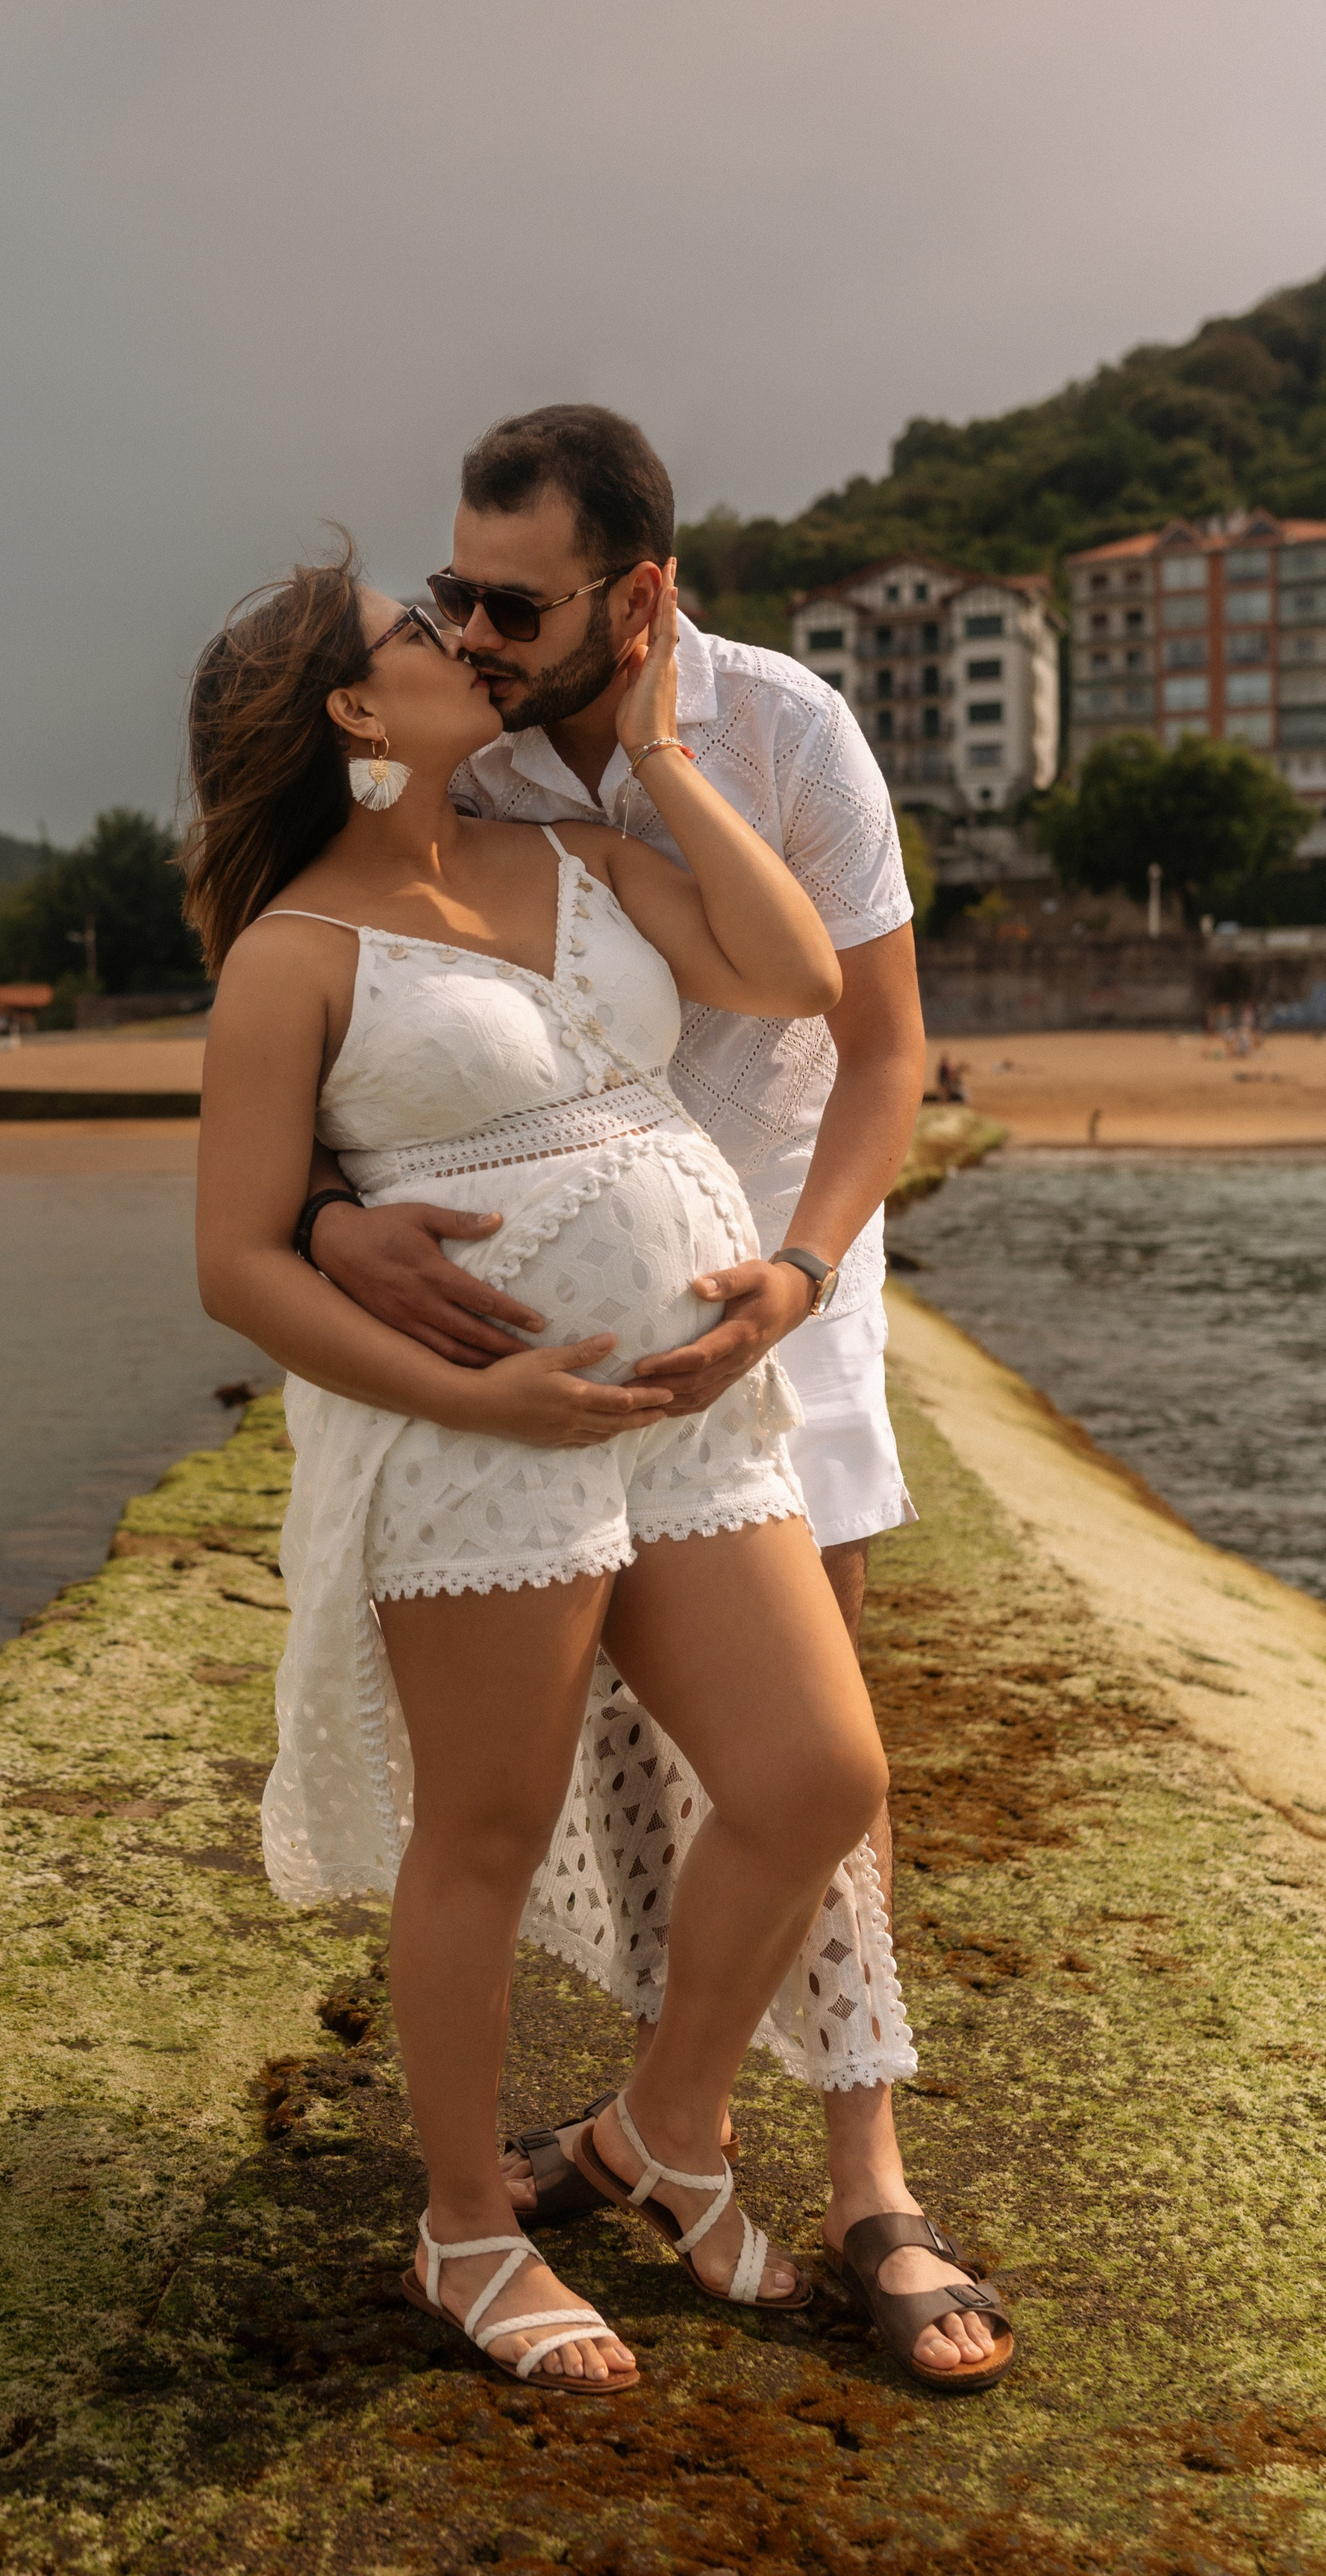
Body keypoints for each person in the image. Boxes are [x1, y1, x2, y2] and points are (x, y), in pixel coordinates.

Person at [189, 543, 1010, 2395]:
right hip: (480, 1446)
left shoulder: (566, 852)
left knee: (813, 1777)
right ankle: (464, 2231)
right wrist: (481, 1404)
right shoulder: (290, 957)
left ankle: (659, 2130)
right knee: (476, 1833)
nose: (467, 642)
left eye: (480, 610)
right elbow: (233, 1259)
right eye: (425, 629)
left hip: (693, 1417)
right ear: (346, 708)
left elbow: (796, 975)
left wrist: (657, 752)